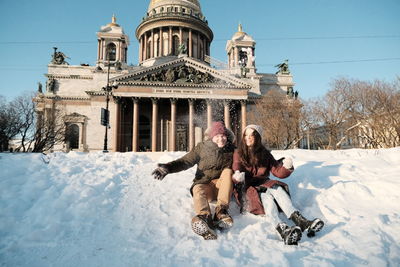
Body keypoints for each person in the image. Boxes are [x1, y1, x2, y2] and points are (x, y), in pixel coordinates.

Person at [232, 124, 324, 245]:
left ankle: (298, 222)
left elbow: (277, 171)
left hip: (263, 185)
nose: (248, 138)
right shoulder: (239, 153)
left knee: (276, 188)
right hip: (248, 190)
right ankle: (285, 227)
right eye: (246, 135)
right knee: (267, 196)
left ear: (258, 137)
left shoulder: (265, 154)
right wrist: (237, 176)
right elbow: (236, 167)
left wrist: (287, 167)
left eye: (252, 135)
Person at [152, 121, 235, 240]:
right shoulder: (201, 148)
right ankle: (204, 217)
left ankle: (220, 212)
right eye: (217, 136)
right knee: (197, 187)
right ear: (212, 137)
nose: (221, 139)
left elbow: (244, 162)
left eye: (223, 136)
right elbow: (185, 161)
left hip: (222, 187)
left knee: (228, 172)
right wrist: (169, 167)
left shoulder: (232, 149)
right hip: (206, 187)